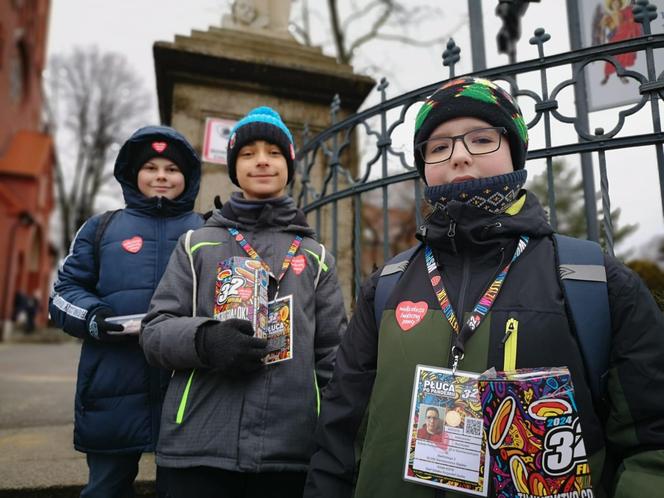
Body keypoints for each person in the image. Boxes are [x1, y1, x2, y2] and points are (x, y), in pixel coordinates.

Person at [304, 76, 664, 498]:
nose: (459, 157)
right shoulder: (387, 285)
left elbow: (650, 444)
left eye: (480, 139)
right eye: (439, 147)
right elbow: (339, 436)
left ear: (514, 150)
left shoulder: (592, 279)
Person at [140, 106, 347, 498]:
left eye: (273, 152)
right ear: (235, 168)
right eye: (248, 153)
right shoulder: (197, 243)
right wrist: (205, 341)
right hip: (197, 447)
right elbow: (154, 332)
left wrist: (332, 442)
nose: (262, 162)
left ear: (289, 165)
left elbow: (333, 359)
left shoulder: (317, 257)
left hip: (291, 453)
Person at [49, 126, 203, 498]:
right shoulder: (101, 228)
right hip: (111, 387)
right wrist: (94, 317)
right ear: (133, 174)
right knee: (105, 488)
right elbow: (63, 294)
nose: (162, 176)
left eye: (172, 168)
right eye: (151, 167)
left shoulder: (207, 230)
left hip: (186, 389)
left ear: (188, 177)